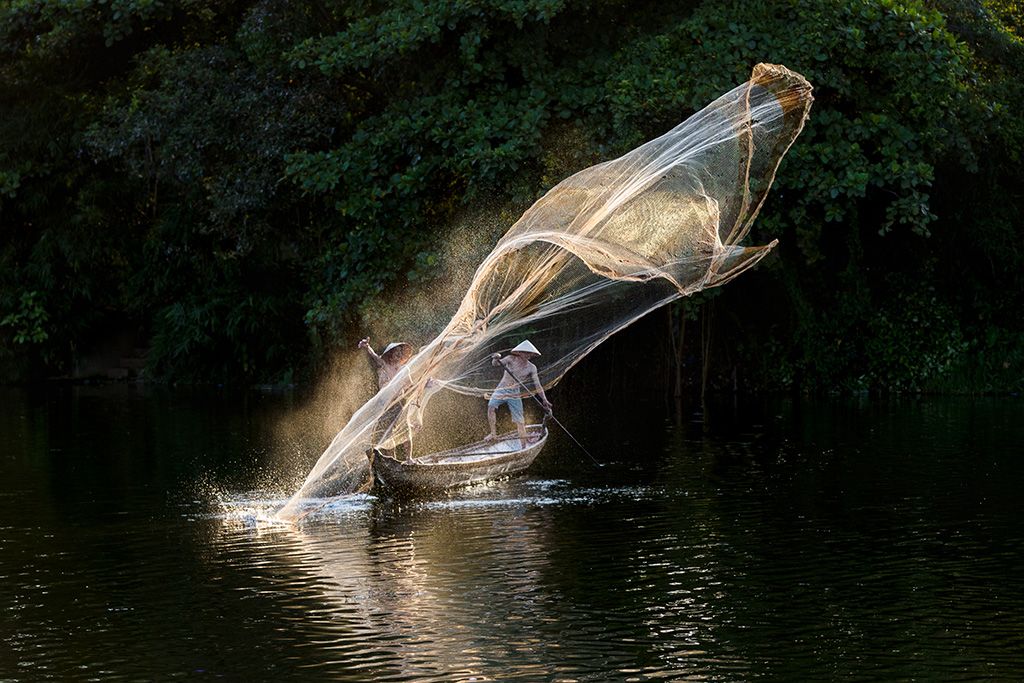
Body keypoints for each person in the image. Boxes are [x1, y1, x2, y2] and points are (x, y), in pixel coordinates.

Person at [487, 340, 552, 448]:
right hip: (502, 389)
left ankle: (523, 447)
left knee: (520, 421)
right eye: (525, 352)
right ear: (520, 352)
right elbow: (496, 364)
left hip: (515, 393)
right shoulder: (510, 359)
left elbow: (538, 385)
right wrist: (495, 358)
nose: (528, 355)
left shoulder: (531, 368)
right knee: (491, 407)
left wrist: (544, 400)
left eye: (529, 353)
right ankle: (493, 434)